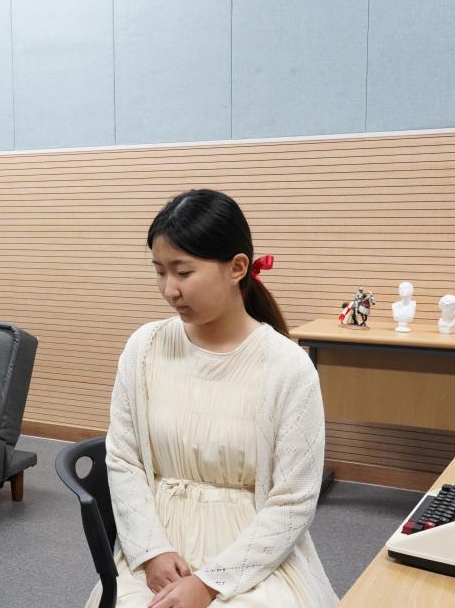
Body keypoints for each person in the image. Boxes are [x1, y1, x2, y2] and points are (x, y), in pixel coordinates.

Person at [86, 190, 337, 607]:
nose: (169, 290)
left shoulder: (287, 367)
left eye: (183, 272)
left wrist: (210, 583)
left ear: (237, 267)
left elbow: (294, 501)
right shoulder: (144, 348)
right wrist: (151, 551)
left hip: (253, 551)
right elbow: (124, 459)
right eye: (160, 271)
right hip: (161, 544)